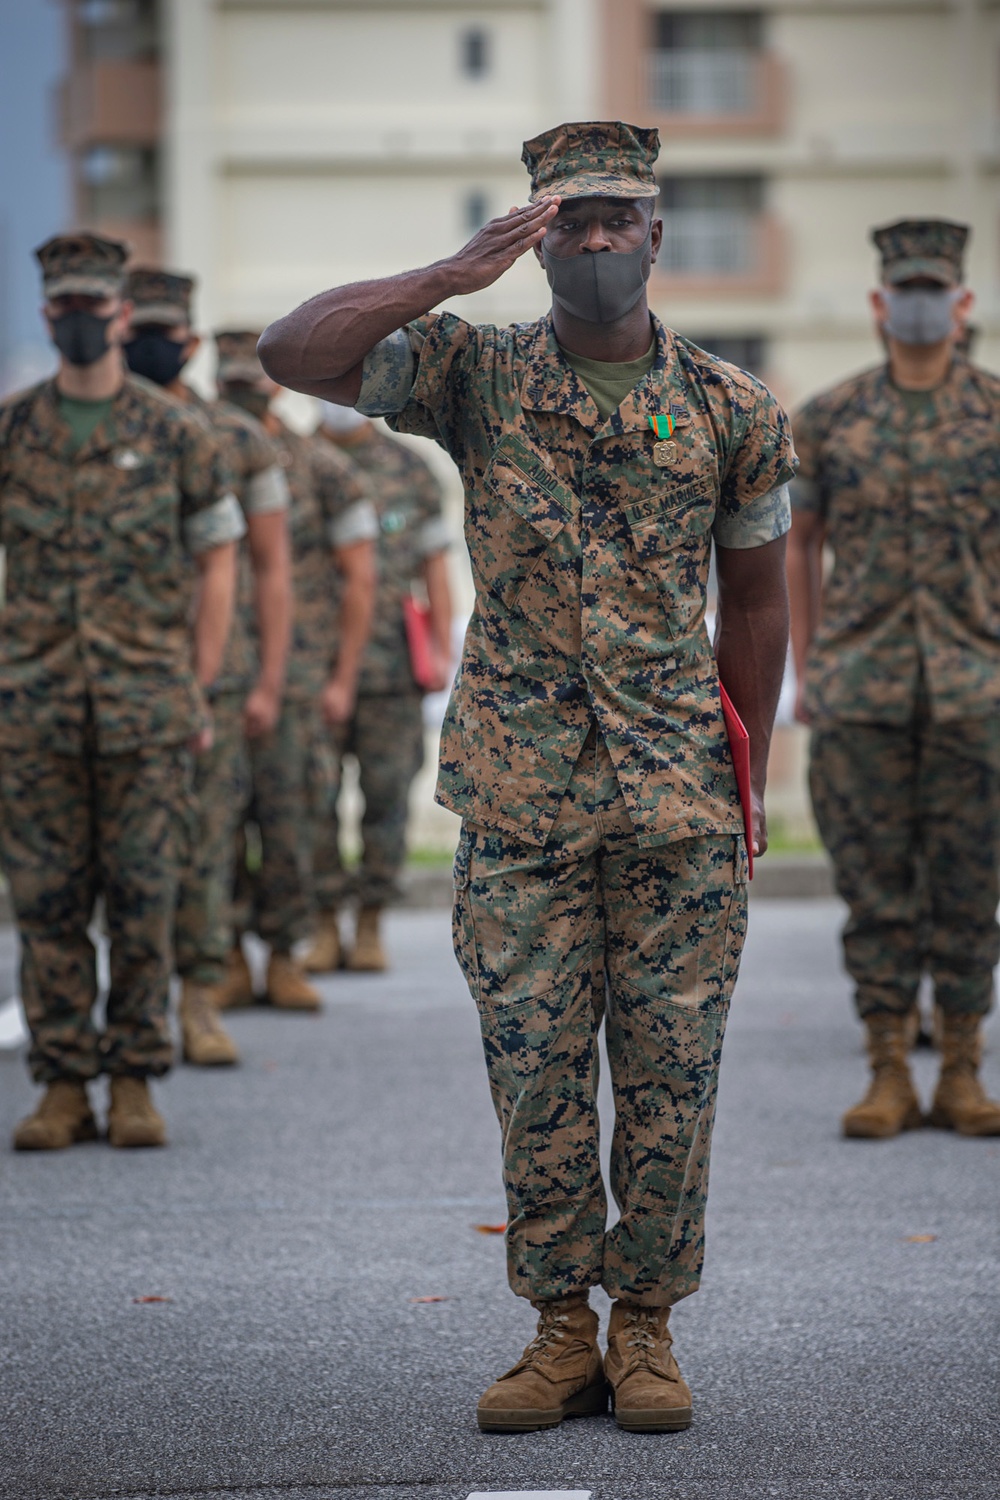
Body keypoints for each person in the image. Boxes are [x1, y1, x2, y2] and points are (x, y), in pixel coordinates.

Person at [259, 121, 794, 1433]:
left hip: (674, 789)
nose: (597, 242)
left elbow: (760, 605)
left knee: (671, 1068)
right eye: (571, 220)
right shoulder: (472, 371)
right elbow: (293, 353)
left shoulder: (735, 409)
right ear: (537, 235)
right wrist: (445, 277)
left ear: (657, 232)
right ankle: (560, 1331)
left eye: (618, 218)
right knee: (538, 1066)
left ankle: (648, 1330)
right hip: (519, 790)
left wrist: (749, 781)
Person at [2, 233, 242, 1150]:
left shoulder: (178, 432)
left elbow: (218, 559)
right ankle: (64, 1083)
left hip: (147, 707)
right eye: (62, 309)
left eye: (92, 309)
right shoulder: (13, 432)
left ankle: (136, 1078)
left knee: (146, 896)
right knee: (49, 902)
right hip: (34, 708)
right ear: (46, 315)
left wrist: (200, 680)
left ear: (117, 312)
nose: (78, 322)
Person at [788, 219, 1000, 1140]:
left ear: (962, 303)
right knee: (875, 892)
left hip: (978, 690)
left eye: (933, 289)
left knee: (969, 888)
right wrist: (807, 665)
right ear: (881, 304)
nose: (918, 304)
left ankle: (960, 1071)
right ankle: (886, 1071)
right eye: (903, 289)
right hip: (861, 690)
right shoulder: (830, 419)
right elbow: (795, 547)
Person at [122, 269, 293, 1066]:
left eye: (162, 331)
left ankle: (197, 998)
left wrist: (264, 681)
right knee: (119, 856)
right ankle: (129, 1009)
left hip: (210, 681)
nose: (146, 344)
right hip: (108, 678)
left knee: (205, 845)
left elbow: (270, 568)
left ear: (185, 343)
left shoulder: (233, 438)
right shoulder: (80, 429)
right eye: (136, 329)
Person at [213, 333, 377, 1010]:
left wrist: (341, 678)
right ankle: (222, 956)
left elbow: (362, 580)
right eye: (230, 387)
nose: (241, 400)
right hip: (218, 671)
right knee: (216, 821)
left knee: (292, 819)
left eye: (251, 387)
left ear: (275, 387)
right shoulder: (199, 452)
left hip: (297, 674)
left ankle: (284, 954)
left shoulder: (320, 468)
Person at [302, 405, 452, 974]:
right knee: (311, 801)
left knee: (387, 800)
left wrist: (440, 648)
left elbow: (434, 566)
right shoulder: (293, 462)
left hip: (391, 670)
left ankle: (369, 922)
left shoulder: (408, 469)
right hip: (311, 668)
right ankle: (322, 921)